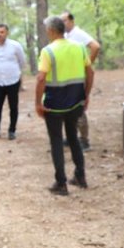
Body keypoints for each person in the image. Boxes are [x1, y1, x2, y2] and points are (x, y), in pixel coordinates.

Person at [35, 16, 93, 196]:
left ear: (52, 31)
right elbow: (90, 72)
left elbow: (41, 78)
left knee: (56, 142)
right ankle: (80, 176)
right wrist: (86, 95)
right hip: (76, 102)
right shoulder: (80, 48)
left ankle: (61, 183)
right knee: (73, 138)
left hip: (54, 105)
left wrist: (38, 103)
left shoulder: (48, 51)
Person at [61, 11, 101, 151]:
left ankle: (84, 140)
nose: (63, 23)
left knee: (78, 107)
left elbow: (95, 46)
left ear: (71, 20)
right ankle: (71, 136)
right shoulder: (65, 36)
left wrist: (87, 64)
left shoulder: (78, 33)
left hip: (78, 76)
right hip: (67, 77)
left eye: (65, 20)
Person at [0, 24, 26, 141]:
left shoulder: (15, 46)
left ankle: (12, 130)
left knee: (13, 107)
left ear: (7, 33)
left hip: (13, 81)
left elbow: (22, 61)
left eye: (2, 32)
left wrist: (16, 73)